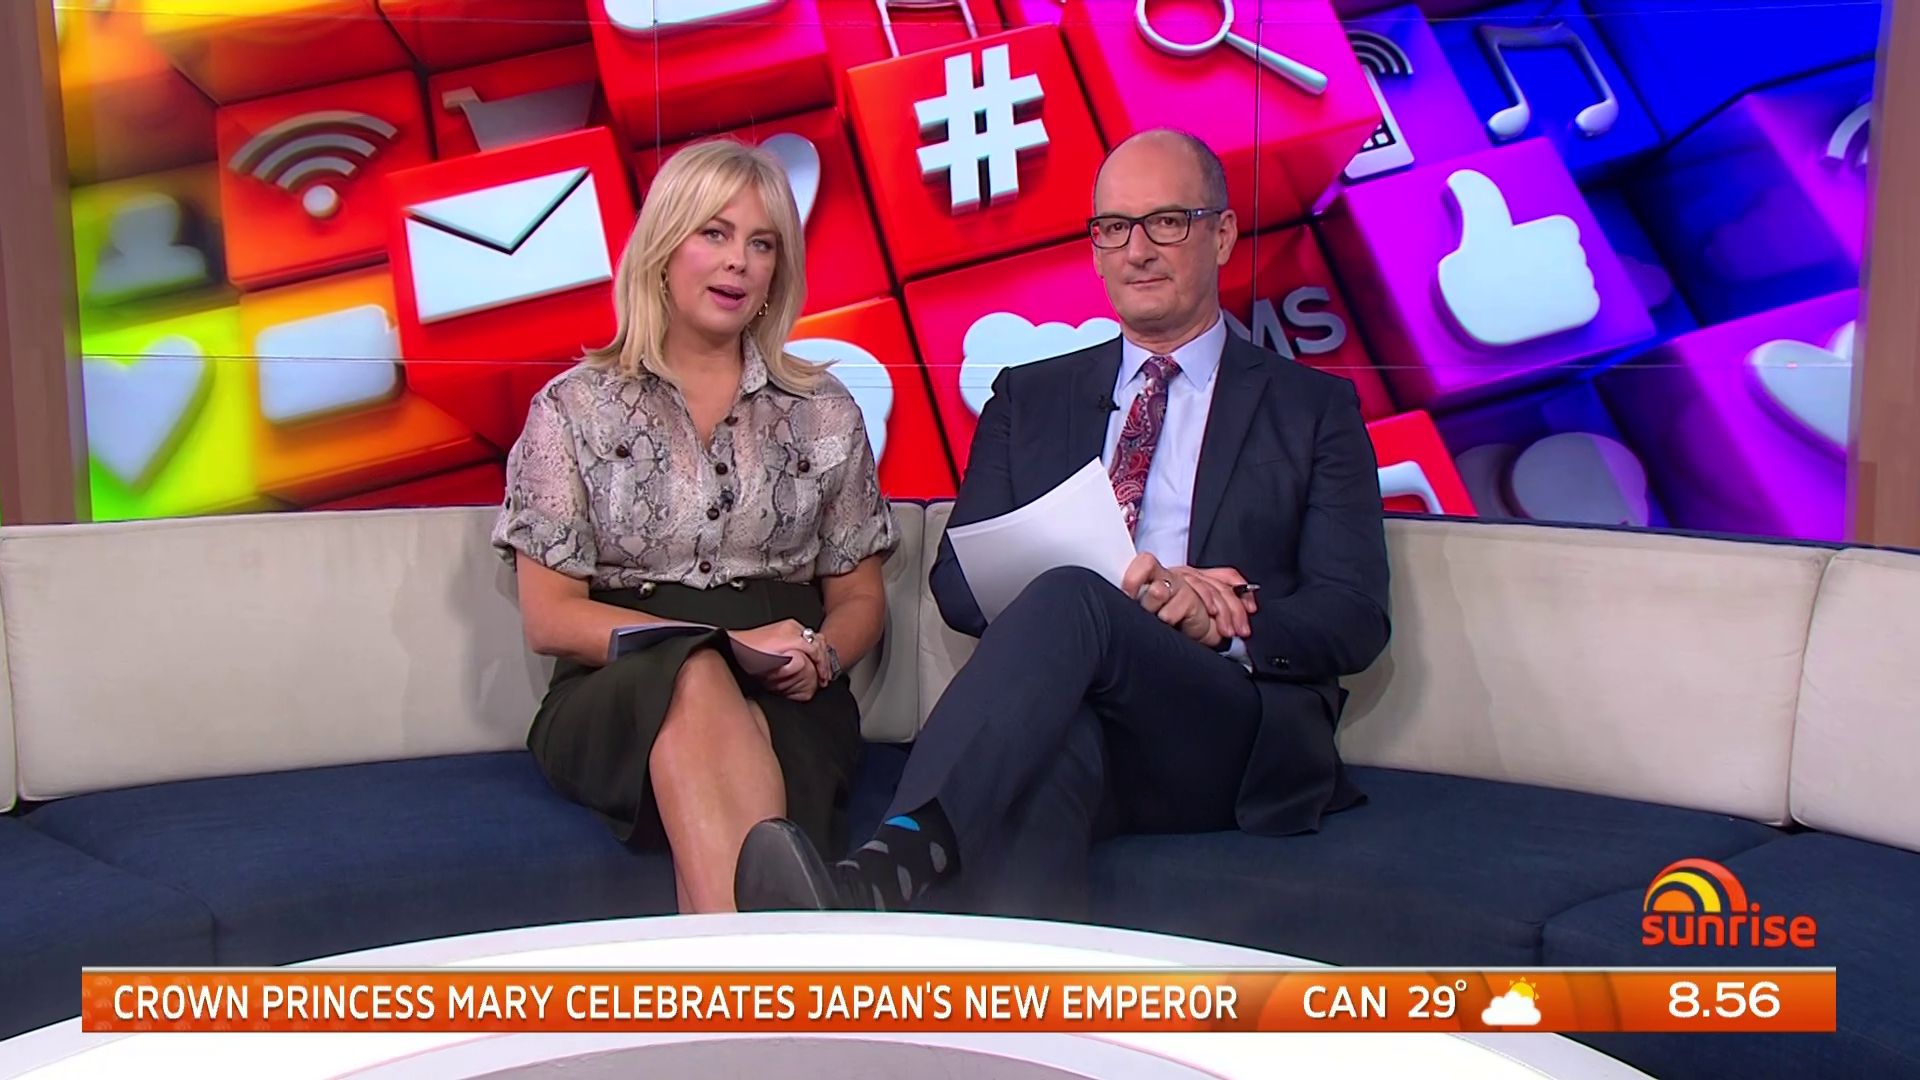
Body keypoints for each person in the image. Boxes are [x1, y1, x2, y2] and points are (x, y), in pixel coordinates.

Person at [734, 129, 1390, 916]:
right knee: (1048, 757)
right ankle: (1010, 986)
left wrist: (1224, 620)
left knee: (1078, 595)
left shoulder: (1312, 408)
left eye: (1166, 222)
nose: (1137, 250)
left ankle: (884, 870)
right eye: (1114, 228)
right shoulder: (1029, 397)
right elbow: (958, 585)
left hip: (1222, 721)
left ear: (1221, 236)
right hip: (1072, 708)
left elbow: (1355, 616)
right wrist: (1086, 591)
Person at [491, 139, 898, 914]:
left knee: (722, 718)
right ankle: (772, 966)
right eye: (714, 232)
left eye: (761, 243)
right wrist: (721, 645)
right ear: (664, 247)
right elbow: (550, 618)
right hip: (618, 689)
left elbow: (860, 598)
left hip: (791, 693)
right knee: (695, 675)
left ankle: (730, 974)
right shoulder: (573, 408)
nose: (738, 260)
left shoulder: (823, 411)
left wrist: (822, 655)